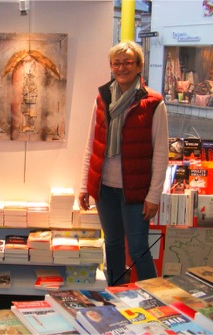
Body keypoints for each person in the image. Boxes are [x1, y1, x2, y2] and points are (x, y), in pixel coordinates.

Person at [78, 41, 169, 286]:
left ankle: (154, 299)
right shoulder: (102, 98)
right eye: (117, 63)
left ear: (139, 66)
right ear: (111, 66)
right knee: (113, 244)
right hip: (105, 188)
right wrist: (85, 185)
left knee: (139, 247)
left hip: (137, 192)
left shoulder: (153, 103)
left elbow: (161, 153)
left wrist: (154, 196)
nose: (122, 67)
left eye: (128, 62)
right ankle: (115, 295)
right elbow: (91, 144)